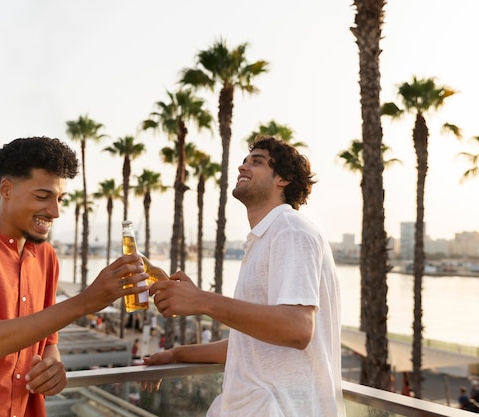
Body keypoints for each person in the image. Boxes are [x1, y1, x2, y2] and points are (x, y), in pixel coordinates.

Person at [0, 136, 149, 416]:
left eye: (60, 199)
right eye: (42, 196)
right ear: (6, 189)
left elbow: (48, 344)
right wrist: (87, 302)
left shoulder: (47, 257)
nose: (55, 211)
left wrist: (53, 366)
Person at [144, 136, 346, 416]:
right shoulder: (265, 237)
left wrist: (202, 301)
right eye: (244, 161)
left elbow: (298, 329)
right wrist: (177, 354)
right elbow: (249, 347)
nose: (242, 167)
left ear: (283, 179)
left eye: (257, 162)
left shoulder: (290, 230)